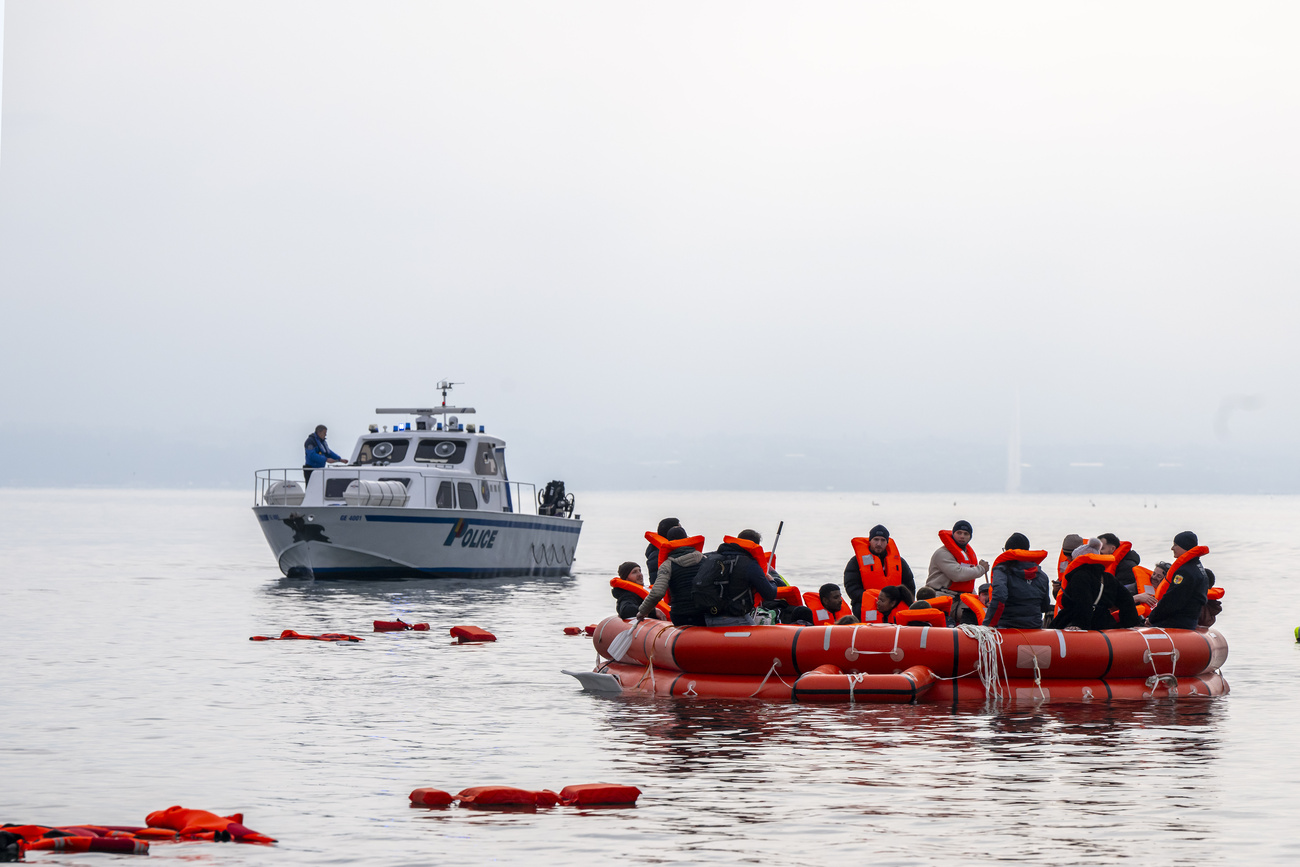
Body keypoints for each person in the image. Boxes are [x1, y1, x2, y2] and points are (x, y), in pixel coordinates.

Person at [693, 529, 777, 627]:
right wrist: (772, 581)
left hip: (709, 618)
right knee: (760, 640)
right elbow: (770, 594)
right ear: (755, 546)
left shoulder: (712, 558)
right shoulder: (750, 565)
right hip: (736, 619)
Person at [1050, 540, 1141, 630]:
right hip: (1104, 623)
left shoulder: (1079, 577)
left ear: (1078, 559)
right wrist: (1129, 625)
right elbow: (1127, 600)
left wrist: (1079, 625)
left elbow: (1083, 602)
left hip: (1079, 624)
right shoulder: (1108, 577)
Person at [844, 524, 916, 620]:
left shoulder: (899, 562)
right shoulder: (856, 562)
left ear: (887, 542)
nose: (879, 543)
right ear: (870, 541)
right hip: (867, 606)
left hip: (893, 606)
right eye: (876, 540)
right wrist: (877, 600)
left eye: (883, 540)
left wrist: (894, 602)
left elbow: (909, 585)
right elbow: (851, 587)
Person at [638, 526, 706, 626]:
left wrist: (642, 611)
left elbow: (657, 593)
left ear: (669, 542)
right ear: (687, 539)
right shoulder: (705, 560)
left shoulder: (667, 565)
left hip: (681, 615)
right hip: (703, 613)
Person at [983, 533, 1051, 629]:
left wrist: (987, 625)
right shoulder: (1042, 575)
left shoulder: (1002, 570)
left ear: (1007, 552)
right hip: (1035, 628)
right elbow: (1045, 607)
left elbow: (999, 596)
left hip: (1006, 627)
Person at [1147, 531, 1210, 630]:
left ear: (1184, 546)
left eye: (1175, 545)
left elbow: (1172, 600)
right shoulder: (1198, 568)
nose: (1172, 548)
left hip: (1178, 622)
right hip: (1190, 620)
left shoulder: (1185, 572)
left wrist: (1152, 618)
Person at [926, 520, 990, 594]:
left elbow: (968, 582)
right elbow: (957, 575)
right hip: (941, 594)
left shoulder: (967, 554)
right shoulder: (942, 553)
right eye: (959, 533)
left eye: (966, 534)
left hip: (961, 596)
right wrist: (982, 568)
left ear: (970, 537)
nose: (962, 536)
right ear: (953, 534)